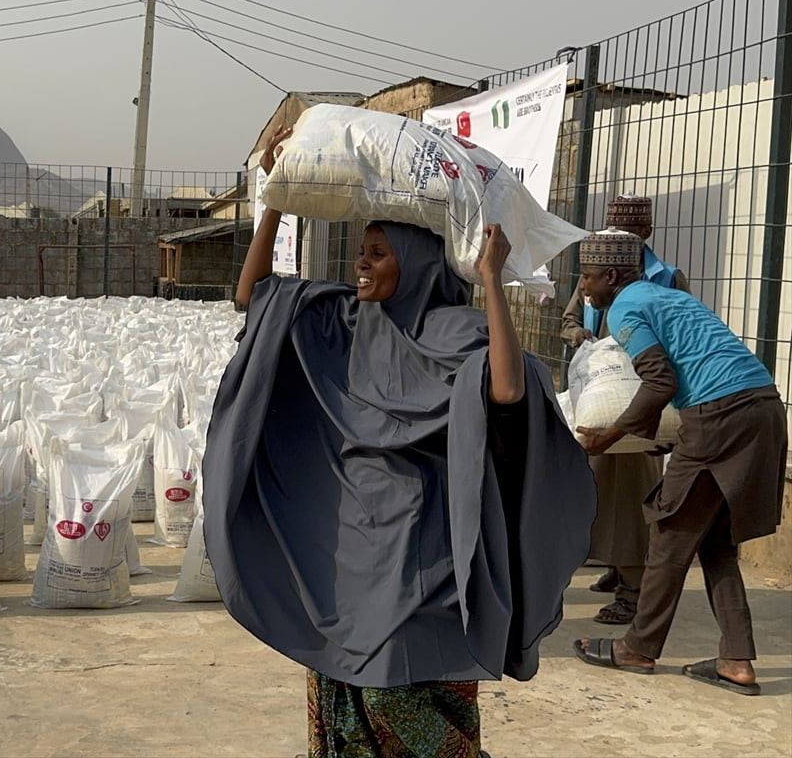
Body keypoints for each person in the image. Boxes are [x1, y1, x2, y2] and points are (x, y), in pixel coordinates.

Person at [204, 128, 597, 758]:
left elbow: (505, 389)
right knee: (335, 681)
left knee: (401, 688)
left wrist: (493, 280)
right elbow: (253, 299)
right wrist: (275, 197)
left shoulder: (454, 330)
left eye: (379, 254)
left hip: (423, 548)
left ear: (413, 262)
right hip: (348, 544)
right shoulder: (339, 320)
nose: (362, 264)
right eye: (362, 251)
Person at [572, 228, 786, 696]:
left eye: (587, 277)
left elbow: (659, 382)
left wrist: (612, 434)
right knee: (715, 541)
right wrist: (656, 436)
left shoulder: (626, 305)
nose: (583, 287)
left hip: (721, 414)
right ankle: (736, 659)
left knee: (668, 533)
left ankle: (637, 648)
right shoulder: (666, 297)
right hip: (764, 407)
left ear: (611, 275)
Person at [559, 195, 690, 625]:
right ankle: (617, 570)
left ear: (644, 235)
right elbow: (570, 320)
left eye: (627, 233)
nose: (619, 239)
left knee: (631, 495)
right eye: (613, 230)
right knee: (598, 490)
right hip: (602, 396)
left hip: (642, 401)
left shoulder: (665, 280)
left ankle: (633, 591)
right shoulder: (595, 271)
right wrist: (580, 336)